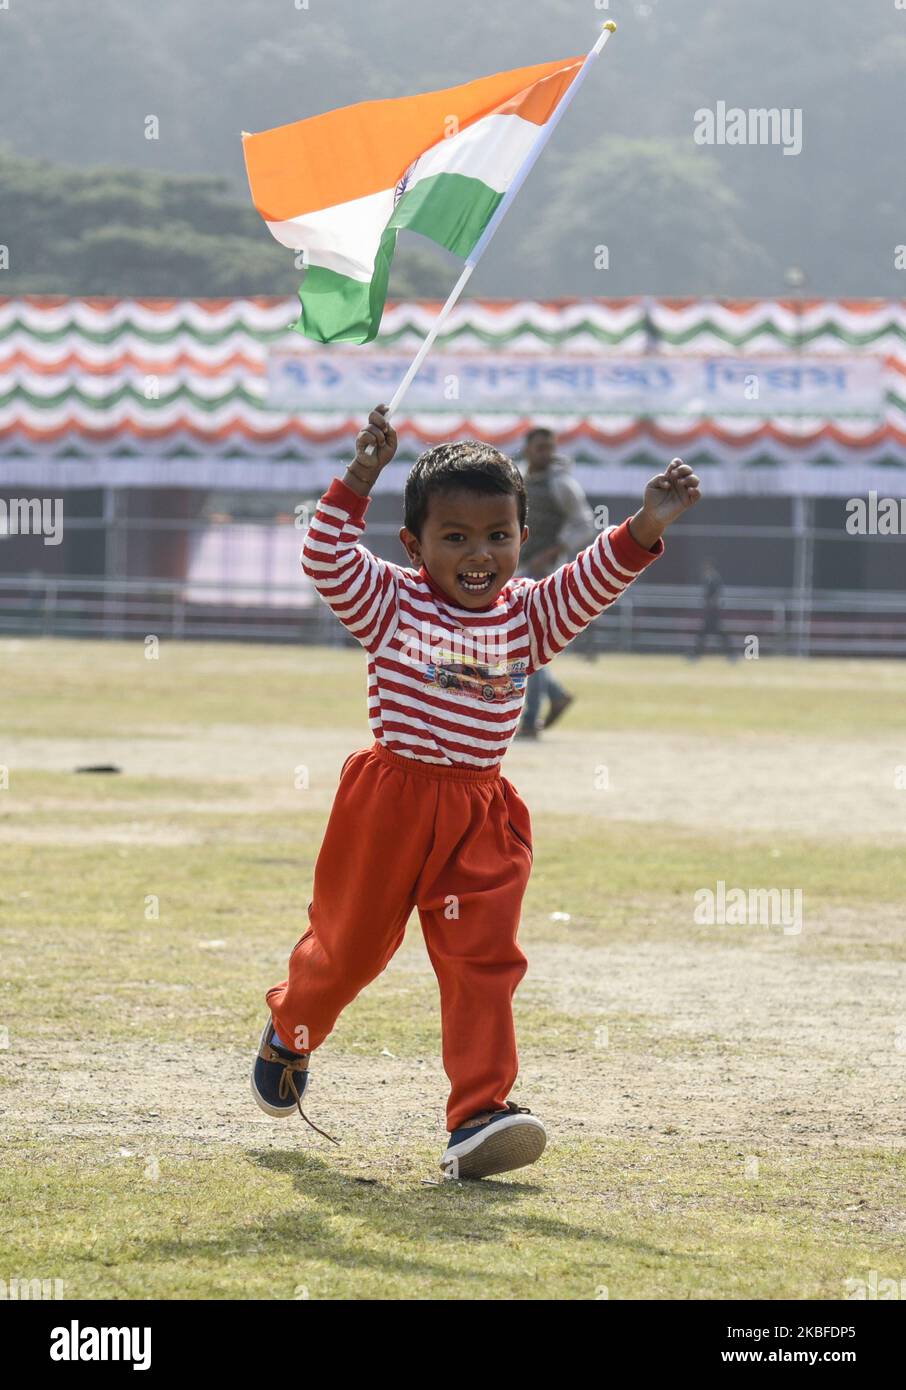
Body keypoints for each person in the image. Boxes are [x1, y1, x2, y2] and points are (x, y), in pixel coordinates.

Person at [252, 405, 701, 1179]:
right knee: (350, 951)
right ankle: (293, 1023)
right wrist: (361, 476)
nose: (478, 555)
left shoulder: (526, 617)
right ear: (414, 545)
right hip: (388, 804)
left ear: (521, 540)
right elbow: (325, 558)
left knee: (482, 964)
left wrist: (644, 527)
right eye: (453, 537)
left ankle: (478, 1116)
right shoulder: (389, 601)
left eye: (497, 536)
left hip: (480, 815)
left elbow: (589, 581)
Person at [516, 427, 598, 738]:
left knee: (528, 643)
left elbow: (585, 524)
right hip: (516, 569)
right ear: (527, 449)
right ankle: (556, 694)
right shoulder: (517, 478)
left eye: (549, 447)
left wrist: (556, 548)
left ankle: (530, 720)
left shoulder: (562, 484)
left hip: (545, 571)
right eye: (539, 447)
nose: (545, 453)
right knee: (518, 644)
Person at [692, 558, 734, 658]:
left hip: (713, 610)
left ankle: (696, 654)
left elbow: (717, 594)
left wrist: (710, 603)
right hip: (711, 610)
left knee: (711, 632)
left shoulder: (714, 578)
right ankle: (696, 653)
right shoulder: (709, 578)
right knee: (710, 632)